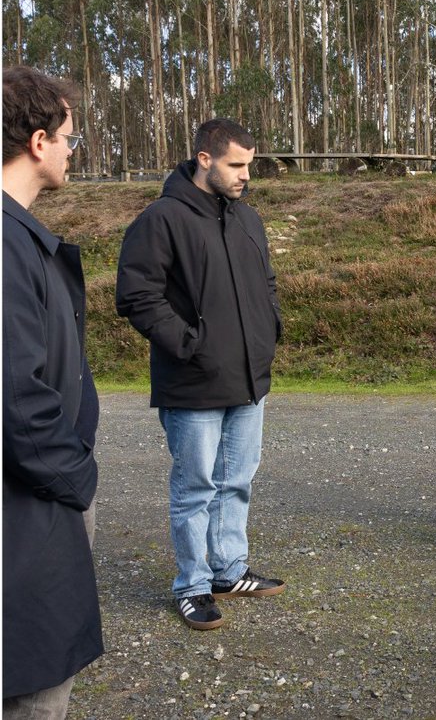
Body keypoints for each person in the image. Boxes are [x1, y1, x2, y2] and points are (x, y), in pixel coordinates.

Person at [116, 118, 285, 630]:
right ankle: (191, 584)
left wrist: (268, 332)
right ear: (204, 158)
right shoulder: (161, 219)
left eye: (249, 166)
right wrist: (189, 345)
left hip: (249, 379)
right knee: (196, 488)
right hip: (192, 383)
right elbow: (136, 295)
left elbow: (267, 284)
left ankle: (228, 570)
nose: (244, 176)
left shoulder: (246, 218)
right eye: (236, 165)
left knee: (237, 481)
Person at [2, 66, 103, 717]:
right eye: (71, 135)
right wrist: (76, 476)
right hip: (27, 507)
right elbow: (13, 389)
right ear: (39, 141)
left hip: (38, 494)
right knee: (33, 686)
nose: (73, 148)